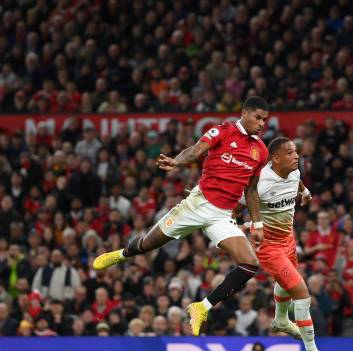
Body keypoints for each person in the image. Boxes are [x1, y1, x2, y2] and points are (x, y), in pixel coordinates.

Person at [93, 96, 270, 336]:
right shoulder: (223, 131)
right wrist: (176, 161)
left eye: (265, 120)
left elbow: (251, 189)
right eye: (258, 117)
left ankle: (201, 307)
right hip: (197, 205)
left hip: (222, 215)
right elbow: (197, 150)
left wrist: (257, 222)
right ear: (244, 114)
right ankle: (122, 255)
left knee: (250, 264)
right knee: (147, 244)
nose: (261, 123)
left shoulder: (260, 150)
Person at [234, 136, 341, 351]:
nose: (297, 156)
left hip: (288, 240)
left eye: (296, 152)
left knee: (287, 284)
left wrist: (305, 192)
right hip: (268, 246)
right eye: (291, 153)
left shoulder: (293, 172)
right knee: (301, 293)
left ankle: (281, 321)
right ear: (276, 159)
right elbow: (236, 208)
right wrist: (237, 227)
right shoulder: (260, 183)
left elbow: (297, 181)